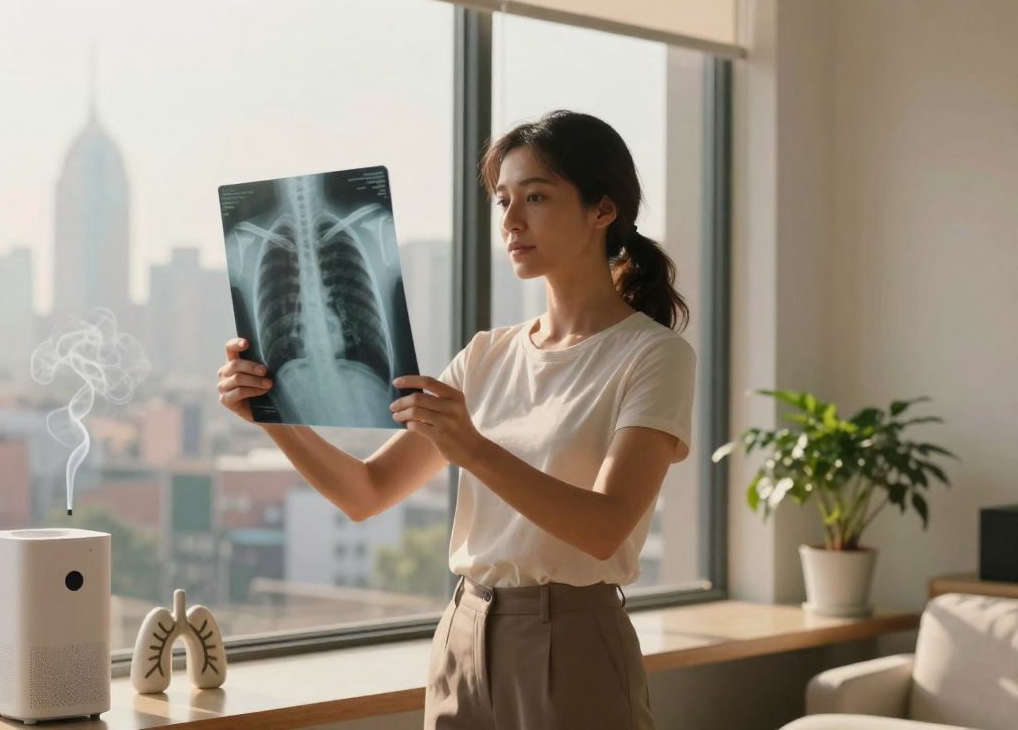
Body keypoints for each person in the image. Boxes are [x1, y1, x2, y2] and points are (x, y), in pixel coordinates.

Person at [216, 110, 695, 730]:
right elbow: (367, 492)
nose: (511, 222)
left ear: (602, 210)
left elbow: (604, 527)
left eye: (537, 197)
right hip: (464, 634)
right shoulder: (486, 354)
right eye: (503, 202)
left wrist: (471, 448)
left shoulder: (653, 355)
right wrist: (272, 416)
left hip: (574, 641)